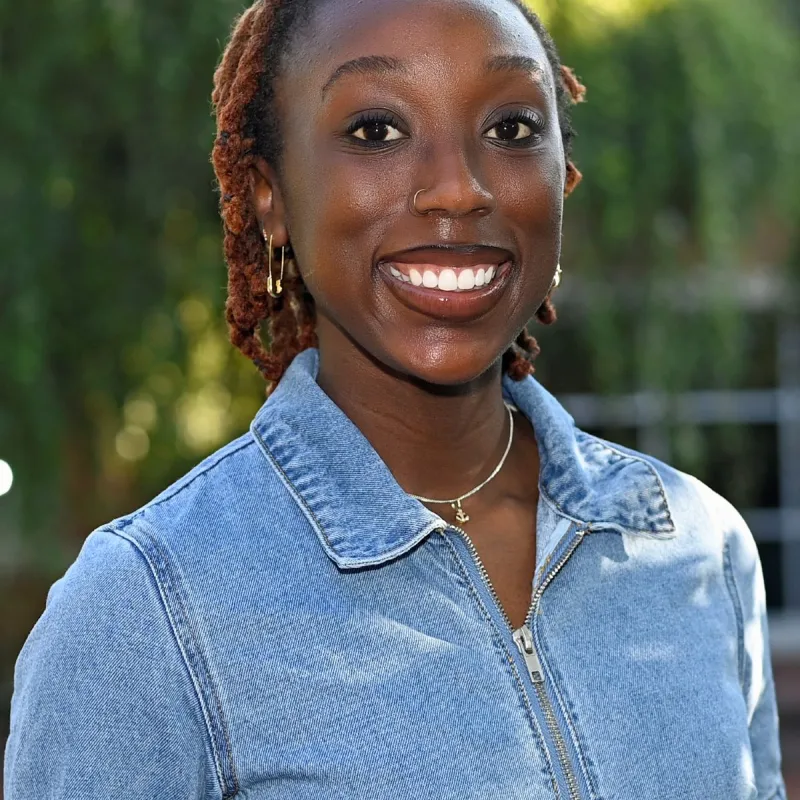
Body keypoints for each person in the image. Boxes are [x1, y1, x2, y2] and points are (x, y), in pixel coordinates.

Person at [4, 0, 786, 797]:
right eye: (376, 130)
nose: (458, 190)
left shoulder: (699, 548)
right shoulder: (147, 608)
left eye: (511, 129)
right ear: (269, 197)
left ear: (562, 179)